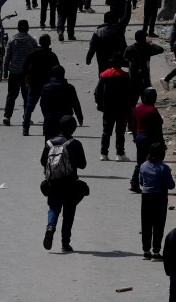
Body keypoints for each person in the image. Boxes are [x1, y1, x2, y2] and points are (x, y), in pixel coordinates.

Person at [41, 115, 87, 253]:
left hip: (54, 182)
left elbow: (43, 161)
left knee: (54, 208)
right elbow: (83, 165)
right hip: (70, 183)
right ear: (73, 129)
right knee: (69, 213)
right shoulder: (75, 144)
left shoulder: (49, 143)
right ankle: (65, 243)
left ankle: (50, 227)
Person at [139, 141, 175, 259]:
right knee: (158, 225)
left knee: (146, 224)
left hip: (146, 197)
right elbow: (170, 185)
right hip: (160, 197)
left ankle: (146, 251)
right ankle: (156, 251)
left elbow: (140, 182)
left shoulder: (143, 165)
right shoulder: (164, 168)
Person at [94, 54, 134, 161]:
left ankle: (104, 153)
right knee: (120, 132)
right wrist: (130, 107)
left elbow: (97, 92)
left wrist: (98, 104)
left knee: (106, 132)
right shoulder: (125, 76)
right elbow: (130, 93)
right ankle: (119, 154)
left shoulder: (104, 75)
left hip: (108, 108)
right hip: (122, 109)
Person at [22, 33, 59, 136]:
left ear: (40, 43)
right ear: (49, 43)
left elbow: (24, 67)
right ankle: (46, 129)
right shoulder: (52, 56)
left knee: (29, 107)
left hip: (34, 84)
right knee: (47, 108)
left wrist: (28, 75)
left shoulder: (33, 54)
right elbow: (57, 70)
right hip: (48, 85)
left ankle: (25, 129)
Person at [2, 19, 38, 126]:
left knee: (11, 95)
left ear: (18, 28)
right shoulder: (32, 41)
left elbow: (7, 57)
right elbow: (35, 59)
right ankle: (26, 117)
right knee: (26, 96)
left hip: (13, 72)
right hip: (27, 74)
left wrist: (4, 71)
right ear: (27, 28)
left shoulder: (12, 40)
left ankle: (7, 116)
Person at [130, 87, 164, 193]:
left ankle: (134, 183)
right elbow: (158, 127)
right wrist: (161, 143)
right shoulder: (153, 110)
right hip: (150, 139)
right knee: (153, 161)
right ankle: (147, 183)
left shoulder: (138, 108)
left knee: (140, 161)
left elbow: (133, 125)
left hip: (140, 138)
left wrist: (135, 137)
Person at [86, 0, 132, 74]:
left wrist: (88, 58)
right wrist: (128, 3)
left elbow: (92, 47)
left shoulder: (98, 32)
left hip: (102, 60)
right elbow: (126, 16)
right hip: (117, 58)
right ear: (116, 20)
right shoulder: (118, 28)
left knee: (103, 75)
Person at [39, 65, 84, 140]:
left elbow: (42, 104)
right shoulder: (70, 88)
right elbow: (76, 104)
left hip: (50, 120)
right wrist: (80, 118)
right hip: (65, 121)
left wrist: (46, 115)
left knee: (49, 145)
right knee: (67, 144)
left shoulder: (46, 87)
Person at [124, 29, 166, 103]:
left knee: (132, 101)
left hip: (133, 78)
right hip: (145, 78)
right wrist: (152, 43)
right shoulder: (147, 48)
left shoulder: (130, 48)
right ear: (144, 39)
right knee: (146, 101)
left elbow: (125, 58)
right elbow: (160, 49)